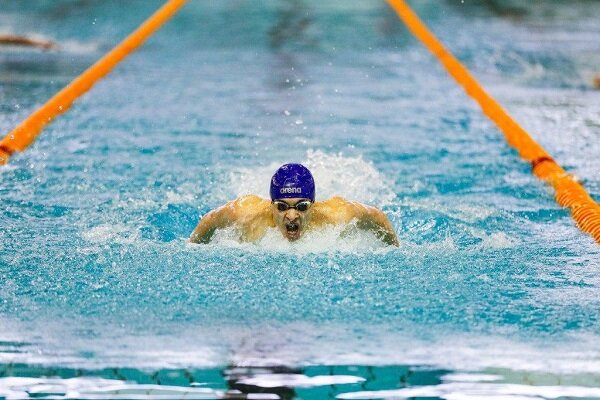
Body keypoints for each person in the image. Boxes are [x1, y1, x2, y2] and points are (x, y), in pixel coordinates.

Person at [189, 163, 399, 246]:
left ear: (313, 205)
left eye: (301, 206)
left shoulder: (337, 215)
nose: (291, 215)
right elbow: (211, 219)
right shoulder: (245, 214)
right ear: (271, 204)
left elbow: (377, 216)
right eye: (282, 206)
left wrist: (394, 250)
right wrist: (193, 249)